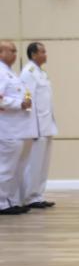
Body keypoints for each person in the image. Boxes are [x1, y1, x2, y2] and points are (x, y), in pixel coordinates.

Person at [0, 41, 37, 215]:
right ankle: (1, 202)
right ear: (1, 53)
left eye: (15, 51)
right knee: (6, 168)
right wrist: (18, 103)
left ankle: (11, 201)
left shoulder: (11, 73)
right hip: (8, 130)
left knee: (18, 169)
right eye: (11, 51)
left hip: (21, 129)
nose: (15, 54)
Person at [20, 42, 58, 209]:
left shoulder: (41, 73)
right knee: (33, 164)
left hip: (46, 125)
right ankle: (29, 197)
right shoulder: (28, 73)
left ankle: (38, 195)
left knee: (43, 165)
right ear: (34, 54)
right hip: (37, 127)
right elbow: (29, 101)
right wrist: (32, 129)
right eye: (42, 52)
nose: (45, 54)